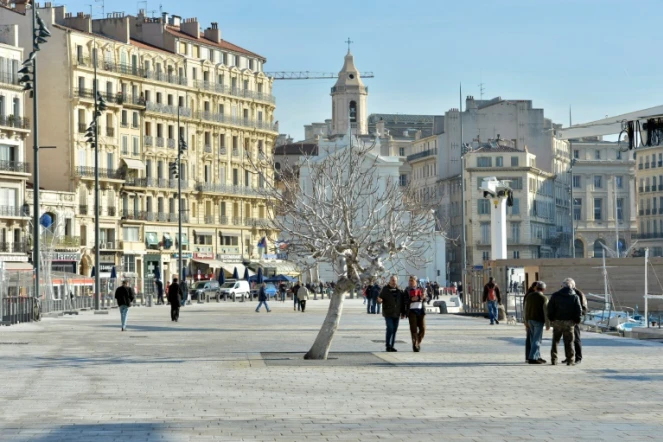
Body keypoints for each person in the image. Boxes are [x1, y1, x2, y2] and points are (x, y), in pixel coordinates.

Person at [547, 278, 583, 366]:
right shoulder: (575, 296)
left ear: (562, 286)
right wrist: (577, 320)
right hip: (570, 322)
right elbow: (579, 310)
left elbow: (550, 308)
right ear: (571, 287)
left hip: (557, 321)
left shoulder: (555, 295)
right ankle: (570, 360)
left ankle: (554, 359)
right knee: (569, 341)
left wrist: (551, 319)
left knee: (555, 341)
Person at [524, 281, 550, 364]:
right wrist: (548, 324)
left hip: (530, 320)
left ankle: (537, 356)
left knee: (532, 339)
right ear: (543, 289)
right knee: (537, 340)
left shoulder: (529, 296)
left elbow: (525, 309)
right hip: (538, 320)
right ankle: (532, 358)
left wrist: (525, 320)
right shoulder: (544, 298)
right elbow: (546, 312)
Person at [377, 275, 405, 352]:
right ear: (390, 281)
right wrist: (379, 301)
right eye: (392, 280)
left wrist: (403, 313)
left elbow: (402, 302)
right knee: (390, 328)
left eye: (395, 280)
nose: (394, 282)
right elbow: (379, 299)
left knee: (394, 329)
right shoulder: (385, 289)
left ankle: (391, 346)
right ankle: (388, 345)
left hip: (396, 313)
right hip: (388, 313)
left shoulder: (399, 290)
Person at [564, 287, 588, 365]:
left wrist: (578, 318)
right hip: (566, 319)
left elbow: (583, 307)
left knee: (576, 339)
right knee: (567, 339)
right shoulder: (566, 292)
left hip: (574, 320)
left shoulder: (578, 294)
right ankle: (569, 356)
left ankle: (578, 357)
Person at [404, 275, 427, 352]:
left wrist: (424, 297)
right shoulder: (407, 290)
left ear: (416, 282)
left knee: (423, 329)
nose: (410, 282)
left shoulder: (422, 289)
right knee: (413, 330)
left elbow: (428, 297)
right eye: (410, 281)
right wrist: (411, 299)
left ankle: (418, 342)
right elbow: (404, 300)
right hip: (411, 311)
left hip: (421, 311)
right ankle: (415, 345)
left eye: (412, 281)